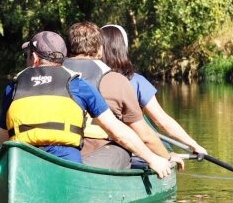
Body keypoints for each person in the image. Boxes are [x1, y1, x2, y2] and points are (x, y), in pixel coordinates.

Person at [0, 31, 172, 178]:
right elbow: (119, 132)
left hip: (23, 164)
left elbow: (3, 140)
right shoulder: (78, 86)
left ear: (34, 58)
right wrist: (153, 159)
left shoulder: (13, 88)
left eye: (26, 55)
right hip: (67, 164)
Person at [63, 22, 178, 170]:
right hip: (100, 152)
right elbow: (144, 136)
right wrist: (166, 157)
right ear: (100, 50)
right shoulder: (117, 81)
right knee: (124, 149)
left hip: (62, 151)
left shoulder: (54, 77)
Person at [100, 24, 208, 157]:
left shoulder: (87, 79)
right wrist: (194, 145)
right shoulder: (136, 81)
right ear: (124, 49)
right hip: (134, 151)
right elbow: (162, 121)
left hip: (96, 148)